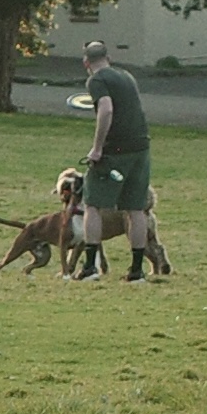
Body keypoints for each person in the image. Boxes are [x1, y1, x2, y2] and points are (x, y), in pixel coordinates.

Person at [79, 41, 155, 281]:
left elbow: (106, 109)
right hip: (141, 147)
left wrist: (97, 149)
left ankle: (90, 267)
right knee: (135, 208)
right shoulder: (127, 77)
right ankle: (136, 270)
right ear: (108, 57)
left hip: (116, 151)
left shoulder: (97, 80)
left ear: (86, 63)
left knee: (92, 204)